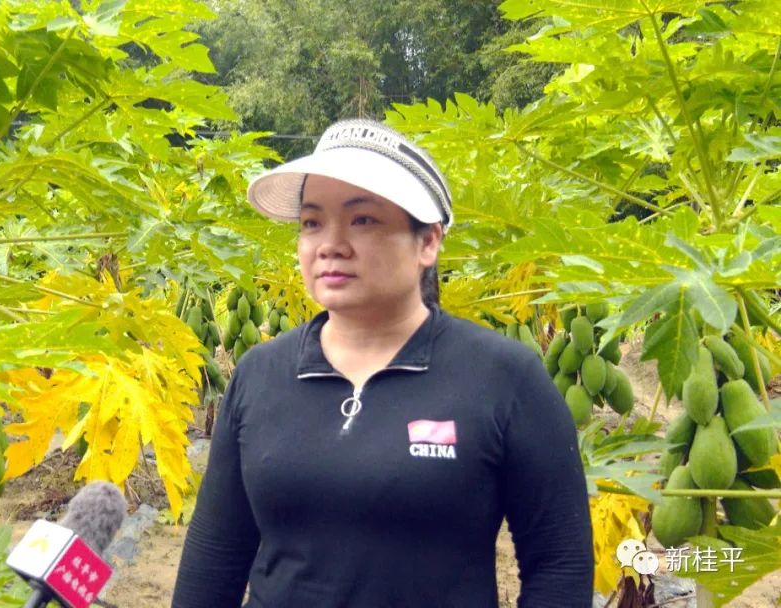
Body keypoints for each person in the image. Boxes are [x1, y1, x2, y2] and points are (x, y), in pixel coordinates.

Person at [171, 119, 593, 607]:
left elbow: (560, 563)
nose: (329, 243)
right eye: (312, 222)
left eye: (363, 219)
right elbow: (215, 555)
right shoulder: (259, 373)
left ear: (428, 242)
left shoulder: (505, 377)